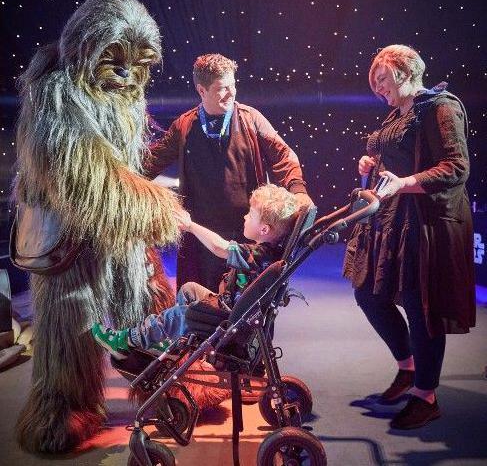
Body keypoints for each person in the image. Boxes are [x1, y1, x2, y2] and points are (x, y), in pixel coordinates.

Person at [343, 44, 475, 429]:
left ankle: (426, 394)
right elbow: (390, 163)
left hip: (427, 224)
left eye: (381, 79)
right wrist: (370, 164)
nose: (377, 88)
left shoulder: (439, 107)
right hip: (392, 220)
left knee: (421, 308)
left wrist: (405, 182)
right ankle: (408, 366)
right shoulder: (394, 117)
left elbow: (456, 167)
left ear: (403, 70)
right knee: (368, 293)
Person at [146, 53, 312, 292]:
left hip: (246, 231)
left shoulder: (251, 119)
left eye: (233, 85)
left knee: (246, 309)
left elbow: (283, 156)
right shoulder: (183, 126)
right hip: (200, 237)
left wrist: (298, 190)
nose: (231, 93)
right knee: (196, 308)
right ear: (202, 91)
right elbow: (151, 162)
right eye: (222, 88)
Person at [92, 184, 298, 358]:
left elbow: (220, 247)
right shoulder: (272, 253)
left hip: (231, 320)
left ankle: (127, 341)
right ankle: (171, 342)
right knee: (189, 289)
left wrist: (190, 226)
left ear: (264, 229)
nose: (245, 217)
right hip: (230, 307)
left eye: (251, 214)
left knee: (180, 314)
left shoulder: (258, 256)